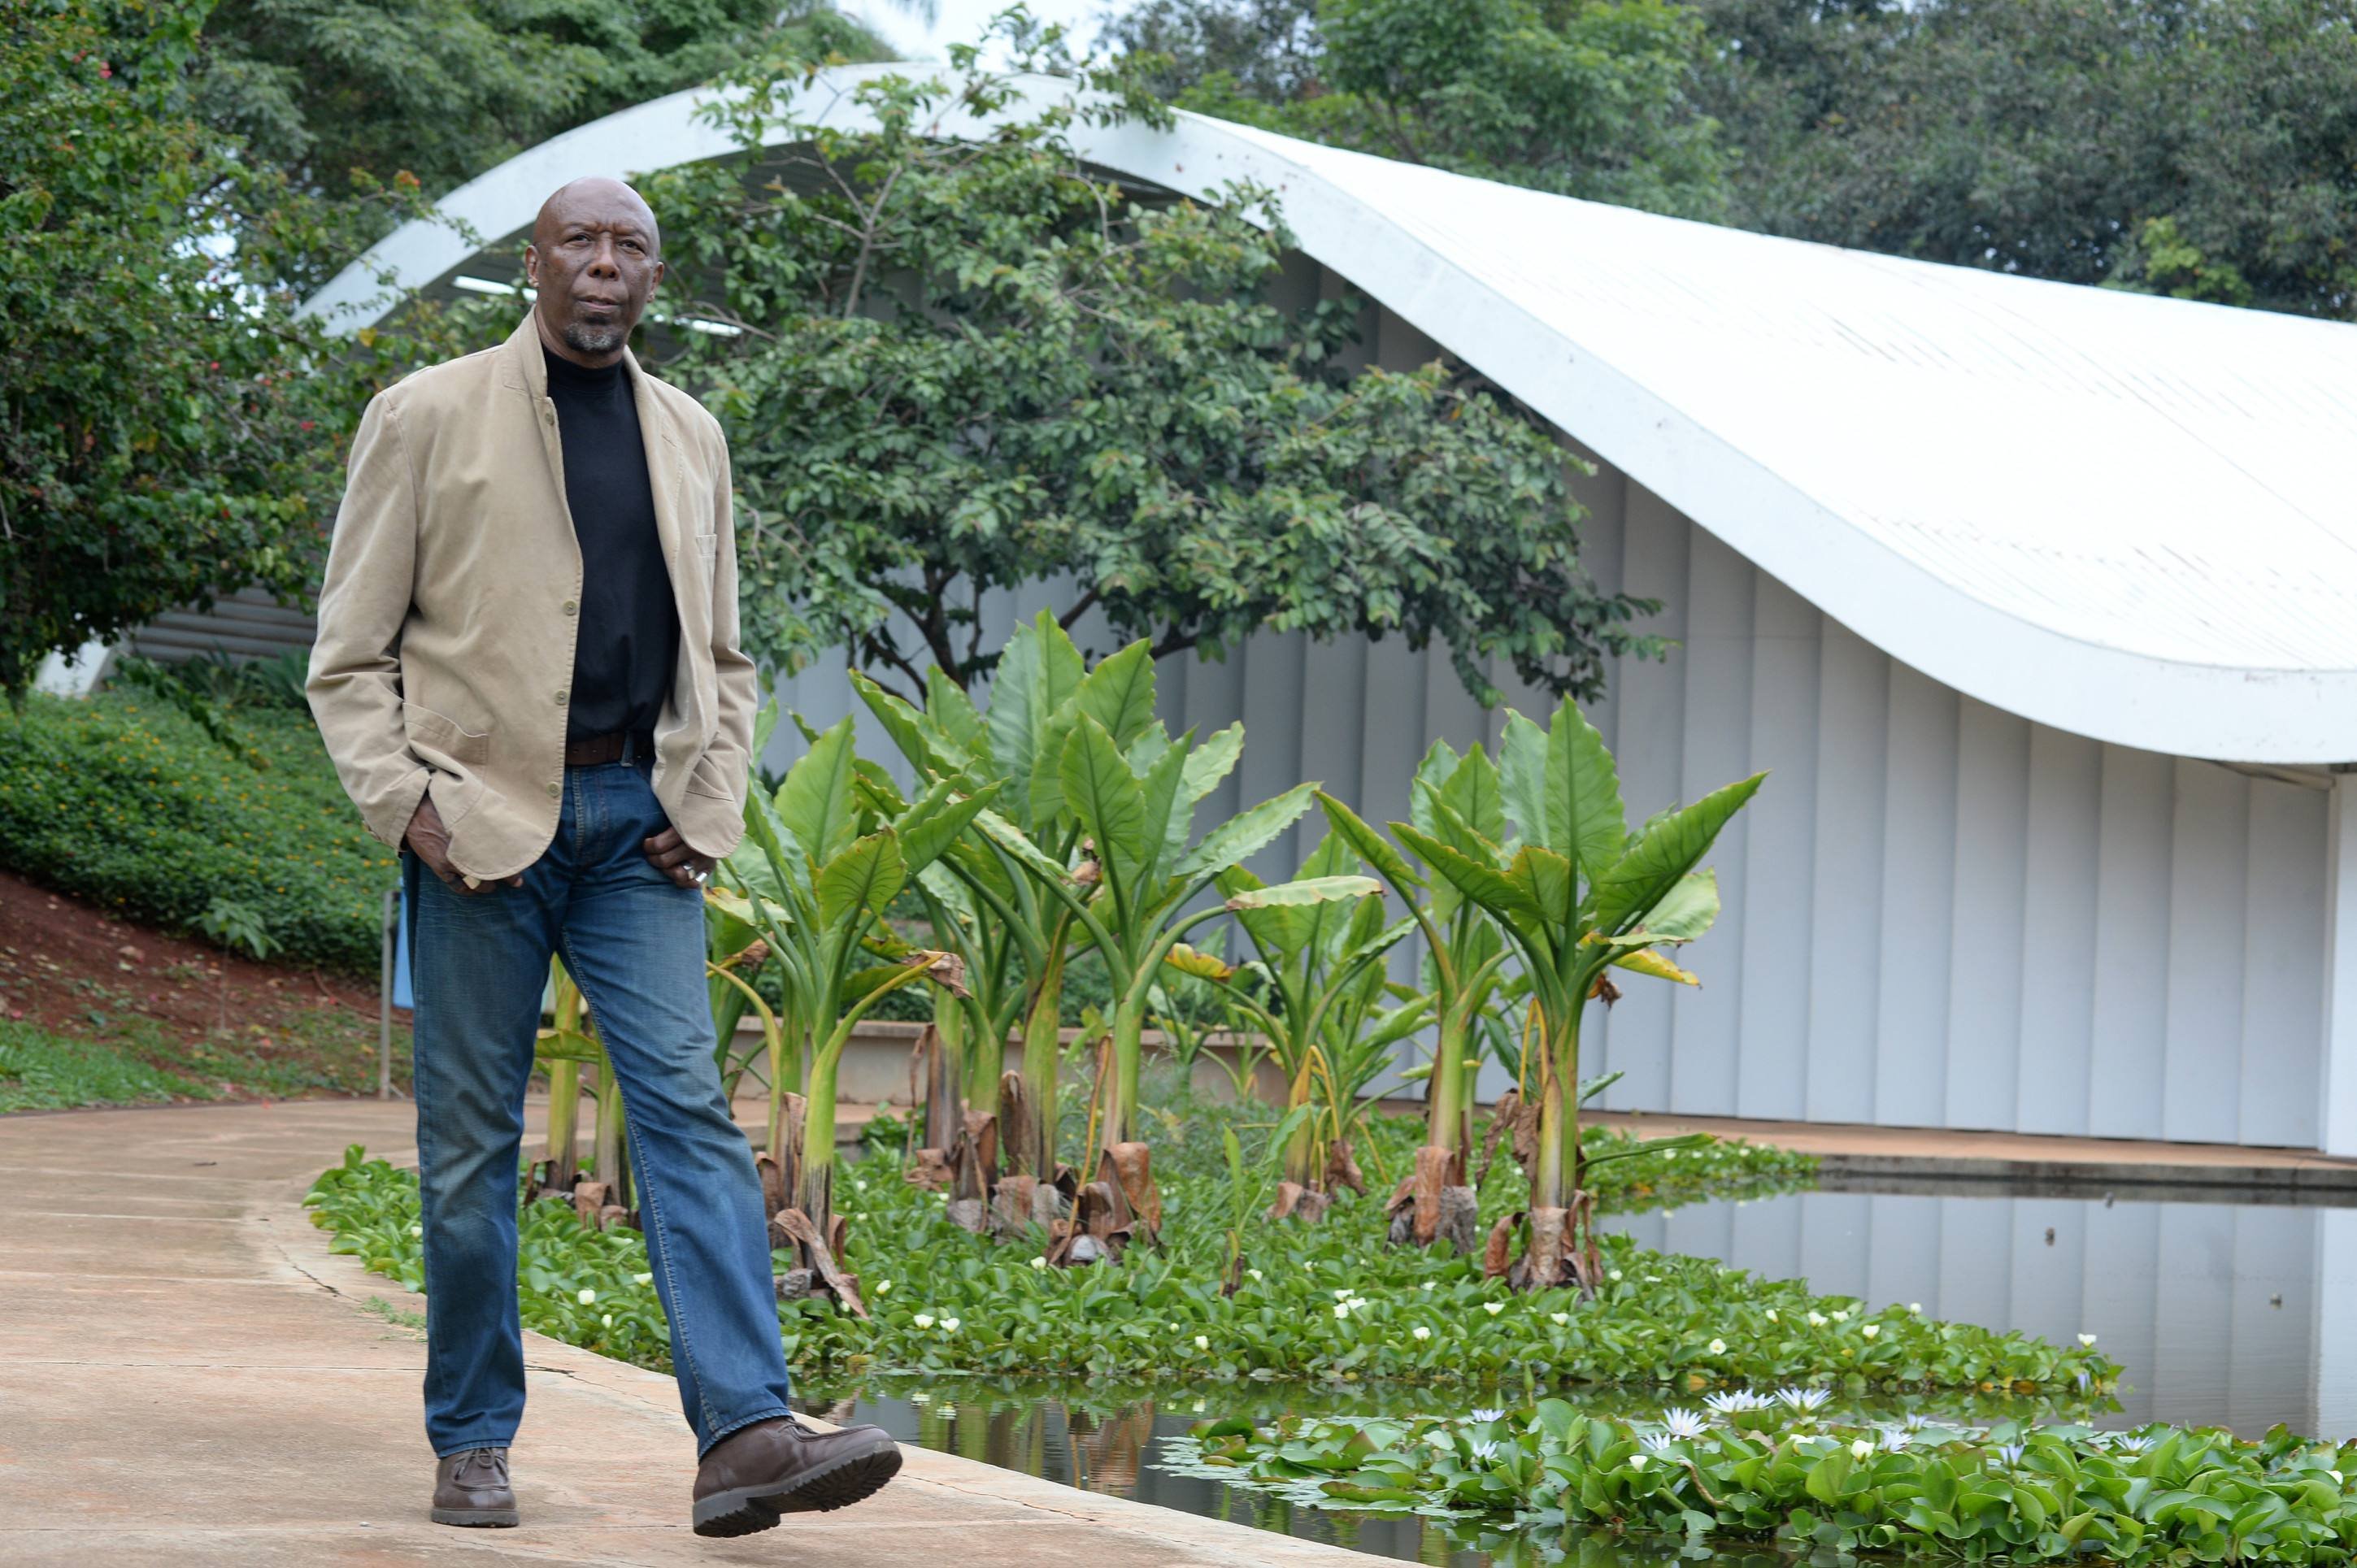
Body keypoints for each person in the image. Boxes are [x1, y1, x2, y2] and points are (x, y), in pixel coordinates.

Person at [307, 176, 900, 1539]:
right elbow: (346, 659)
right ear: (536, 261)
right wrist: (410, 809)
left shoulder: (691, 433)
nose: (605, 263)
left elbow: (729, 654)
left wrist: (711, 796)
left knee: (688, 1117)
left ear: (652, 277)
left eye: (631, 246)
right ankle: (471, 1439)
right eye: (581, 239)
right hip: (480, 835)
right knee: (467, 1150)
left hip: (638, 831)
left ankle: (746, 1433)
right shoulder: (426, 413)